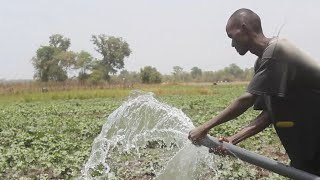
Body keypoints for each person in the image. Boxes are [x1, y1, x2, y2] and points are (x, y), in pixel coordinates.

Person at [188, 8, 320, 175]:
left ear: (244, 29)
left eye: (231, 36)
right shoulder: (263, 62)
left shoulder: (278, 50)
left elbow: (247, 99)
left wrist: (204, 127)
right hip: (307, 148)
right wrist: (232, 140)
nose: (231, 43)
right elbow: (268, 115)